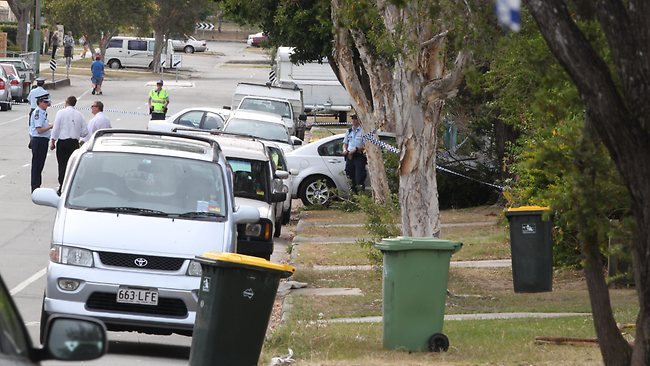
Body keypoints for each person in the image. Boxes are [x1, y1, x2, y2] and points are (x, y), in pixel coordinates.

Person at [50, 96, 88, 195]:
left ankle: (62, 186)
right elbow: (84, 132)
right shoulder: (79, 115)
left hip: (62, 142)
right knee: (72, 165)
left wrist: (53, 141)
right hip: (74, 143)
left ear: (66, 102)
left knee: (62, 165)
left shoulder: (61, 113)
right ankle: (71, 187)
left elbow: (56, 128)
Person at [29, 96, 53, 193]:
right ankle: (35, 187)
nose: (47, 104)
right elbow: (39, 130)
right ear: (39, 102)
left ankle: (37, 185)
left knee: (40, 164)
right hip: (39, 140)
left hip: (42, 141)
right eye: (45, 102)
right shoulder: (38, 113)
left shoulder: (42, 113)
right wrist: (50, 126)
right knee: (37, 165)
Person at [342, 114, 367, 194]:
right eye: (352, 119)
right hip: (350, 156)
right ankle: (353, 196)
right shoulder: (349, 131)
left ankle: (361, 196)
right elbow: (345, 143)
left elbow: (366, 145)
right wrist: (344, 150)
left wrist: (356, 149)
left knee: (359, 179)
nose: (353, 120)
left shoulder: (363, 131)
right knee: (350, 177)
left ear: (359, 120)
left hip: (359, 156)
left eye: (355, 119)